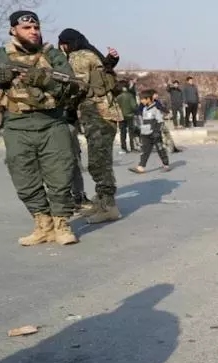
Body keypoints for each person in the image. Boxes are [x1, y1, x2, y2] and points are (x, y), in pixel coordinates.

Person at [0, 11, 82, 245]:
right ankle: (43, 225)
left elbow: (72, 87)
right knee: (24, 177)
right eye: (26, 28)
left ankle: (61, 225)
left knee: (60, 175)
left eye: (36, 27)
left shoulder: (52, 55)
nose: (33, 31)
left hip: (52, 122)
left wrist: (43, 80)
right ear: (13, 30)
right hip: (16, 124)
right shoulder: (2, 55)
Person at [58, 28, 123, 224]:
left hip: (97, 114)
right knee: (100, 159)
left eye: (61, 44)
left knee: (98, 162)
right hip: (104, 114)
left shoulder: (78, 56)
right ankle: (102, 201)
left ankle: (108, 206)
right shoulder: (92, 54)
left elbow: (78, 85)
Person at [129, 89, 170, 173]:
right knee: (145, 150)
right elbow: (143, 121)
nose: (141, 101)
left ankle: (166, 165)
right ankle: (141, 167)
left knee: (160, 149)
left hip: (155, 134)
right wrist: (138, 130)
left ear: (148, 99)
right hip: (145, 134)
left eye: (143, 99)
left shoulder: (155, 109)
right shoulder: (144, 109)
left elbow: (160, 122)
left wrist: (157, 132)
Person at [64, 107, 93, 213]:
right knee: (73, 169)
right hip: (63, 126)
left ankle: (76, 197)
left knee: (73, 169)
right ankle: (76, 198)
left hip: (64, 125)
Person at [115, 80, 139, 153]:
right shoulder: (130, 95)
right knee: (131, 132)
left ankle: (124, 148)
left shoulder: (118, 97)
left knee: (123, 132)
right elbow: (134, 106)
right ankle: (133, 147)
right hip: (130, 115)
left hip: (121, 116)